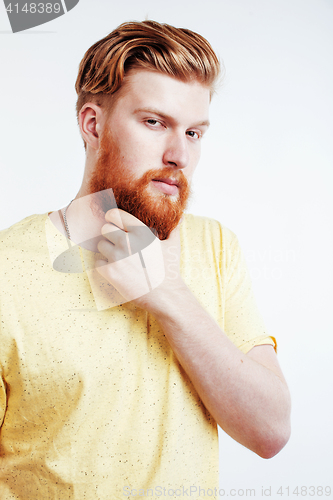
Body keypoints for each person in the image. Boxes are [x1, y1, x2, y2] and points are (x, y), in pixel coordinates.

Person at [0, 20, 291, 499]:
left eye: (195, 132)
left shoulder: (215, 247)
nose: (179, 154)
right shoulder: (9, 269)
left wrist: (167, 294)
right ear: (93, 124)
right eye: (154, 122)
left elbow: (270, 430)